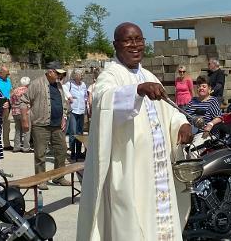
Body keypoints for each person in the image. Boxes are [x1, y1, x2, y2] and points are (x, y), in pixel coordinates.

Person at [77, 22, 193, 241]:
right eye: (128, 40)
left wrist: (182, 124)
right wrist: (137, 91)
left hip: (157, 171)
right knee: (131, 226)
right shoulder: (110, 75)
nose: (135, 45)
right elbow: (104, 101)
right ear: (116, 45)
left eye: (139, 39)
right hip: (129, 170)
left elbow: (169, 110)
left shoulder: (149, 75)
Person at [20, 61, 71, 190]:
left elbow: (63, 103)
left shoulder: (58, 85)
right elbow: (24, 101)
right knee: (40, 154)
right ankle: (41, 179)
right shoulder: (37, 84)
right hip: (40, 125)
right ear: (50, 72)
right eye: (58, 73)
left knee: (61, 150)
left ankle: (58, 177)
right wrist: (25, 120)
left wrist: (64, 116)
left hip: (57, 125)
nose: (60, 76)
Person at [64, 68, 88, 160]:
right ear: (74, 75)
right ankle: (73, 152)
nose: (78, 76)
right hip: (73, 110)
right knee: (73, 132)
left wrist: (86, 104)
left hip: (81, 110)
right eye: (77, 74)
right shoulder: (69, 84)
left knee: (80, 132)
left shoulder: (83, 85)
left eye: (80, 74)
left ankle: (78, 152)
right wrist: (70, 97)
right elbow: (63, 89)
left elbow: (85, 96)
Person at [0, 65, 12, 151]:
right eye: (6, 73)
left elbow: (10, 91)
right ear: (0, 73)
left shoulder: (8, 80)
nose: (8, 75)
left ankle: (7, 144)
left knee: (7, 125)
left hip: (8, 102)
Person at [10, 76, 32, 153]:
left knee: (18, 129)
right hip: (24, 112)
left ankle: (16, 147)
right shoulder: (28, 90)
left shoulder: (15, 90)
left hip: (15, 112)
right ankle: (26, 147)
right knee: (26, 130)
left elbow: (11, 100)